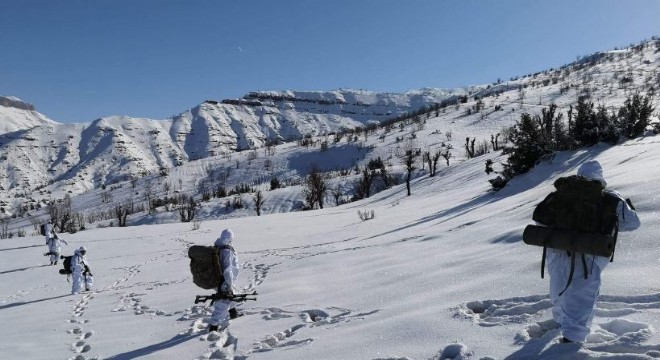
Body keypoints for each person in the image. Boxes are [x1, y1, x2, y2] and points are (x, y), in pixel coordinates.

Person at [546, 160, 640, 344]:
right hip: (588, 253)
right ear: (601, 179)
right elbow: (633, 223)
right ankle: (571, 342)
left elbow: (542, 220)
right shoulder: (611, 198)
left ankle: (560, 322)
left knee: (559, 289)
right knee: (583, 295)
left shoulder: (562, 194)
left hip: (558, 249)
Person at [208, 228, 240, 332]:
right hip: (225, 280)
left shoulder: (218, 247)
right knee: (223, 302)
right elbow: (228, 269)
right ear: (230, 238)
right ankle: (213, 326)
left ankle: (233, 312)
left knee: (231, 295)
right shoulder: (226, 250)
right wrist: (229, 284)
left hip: (218, 279)